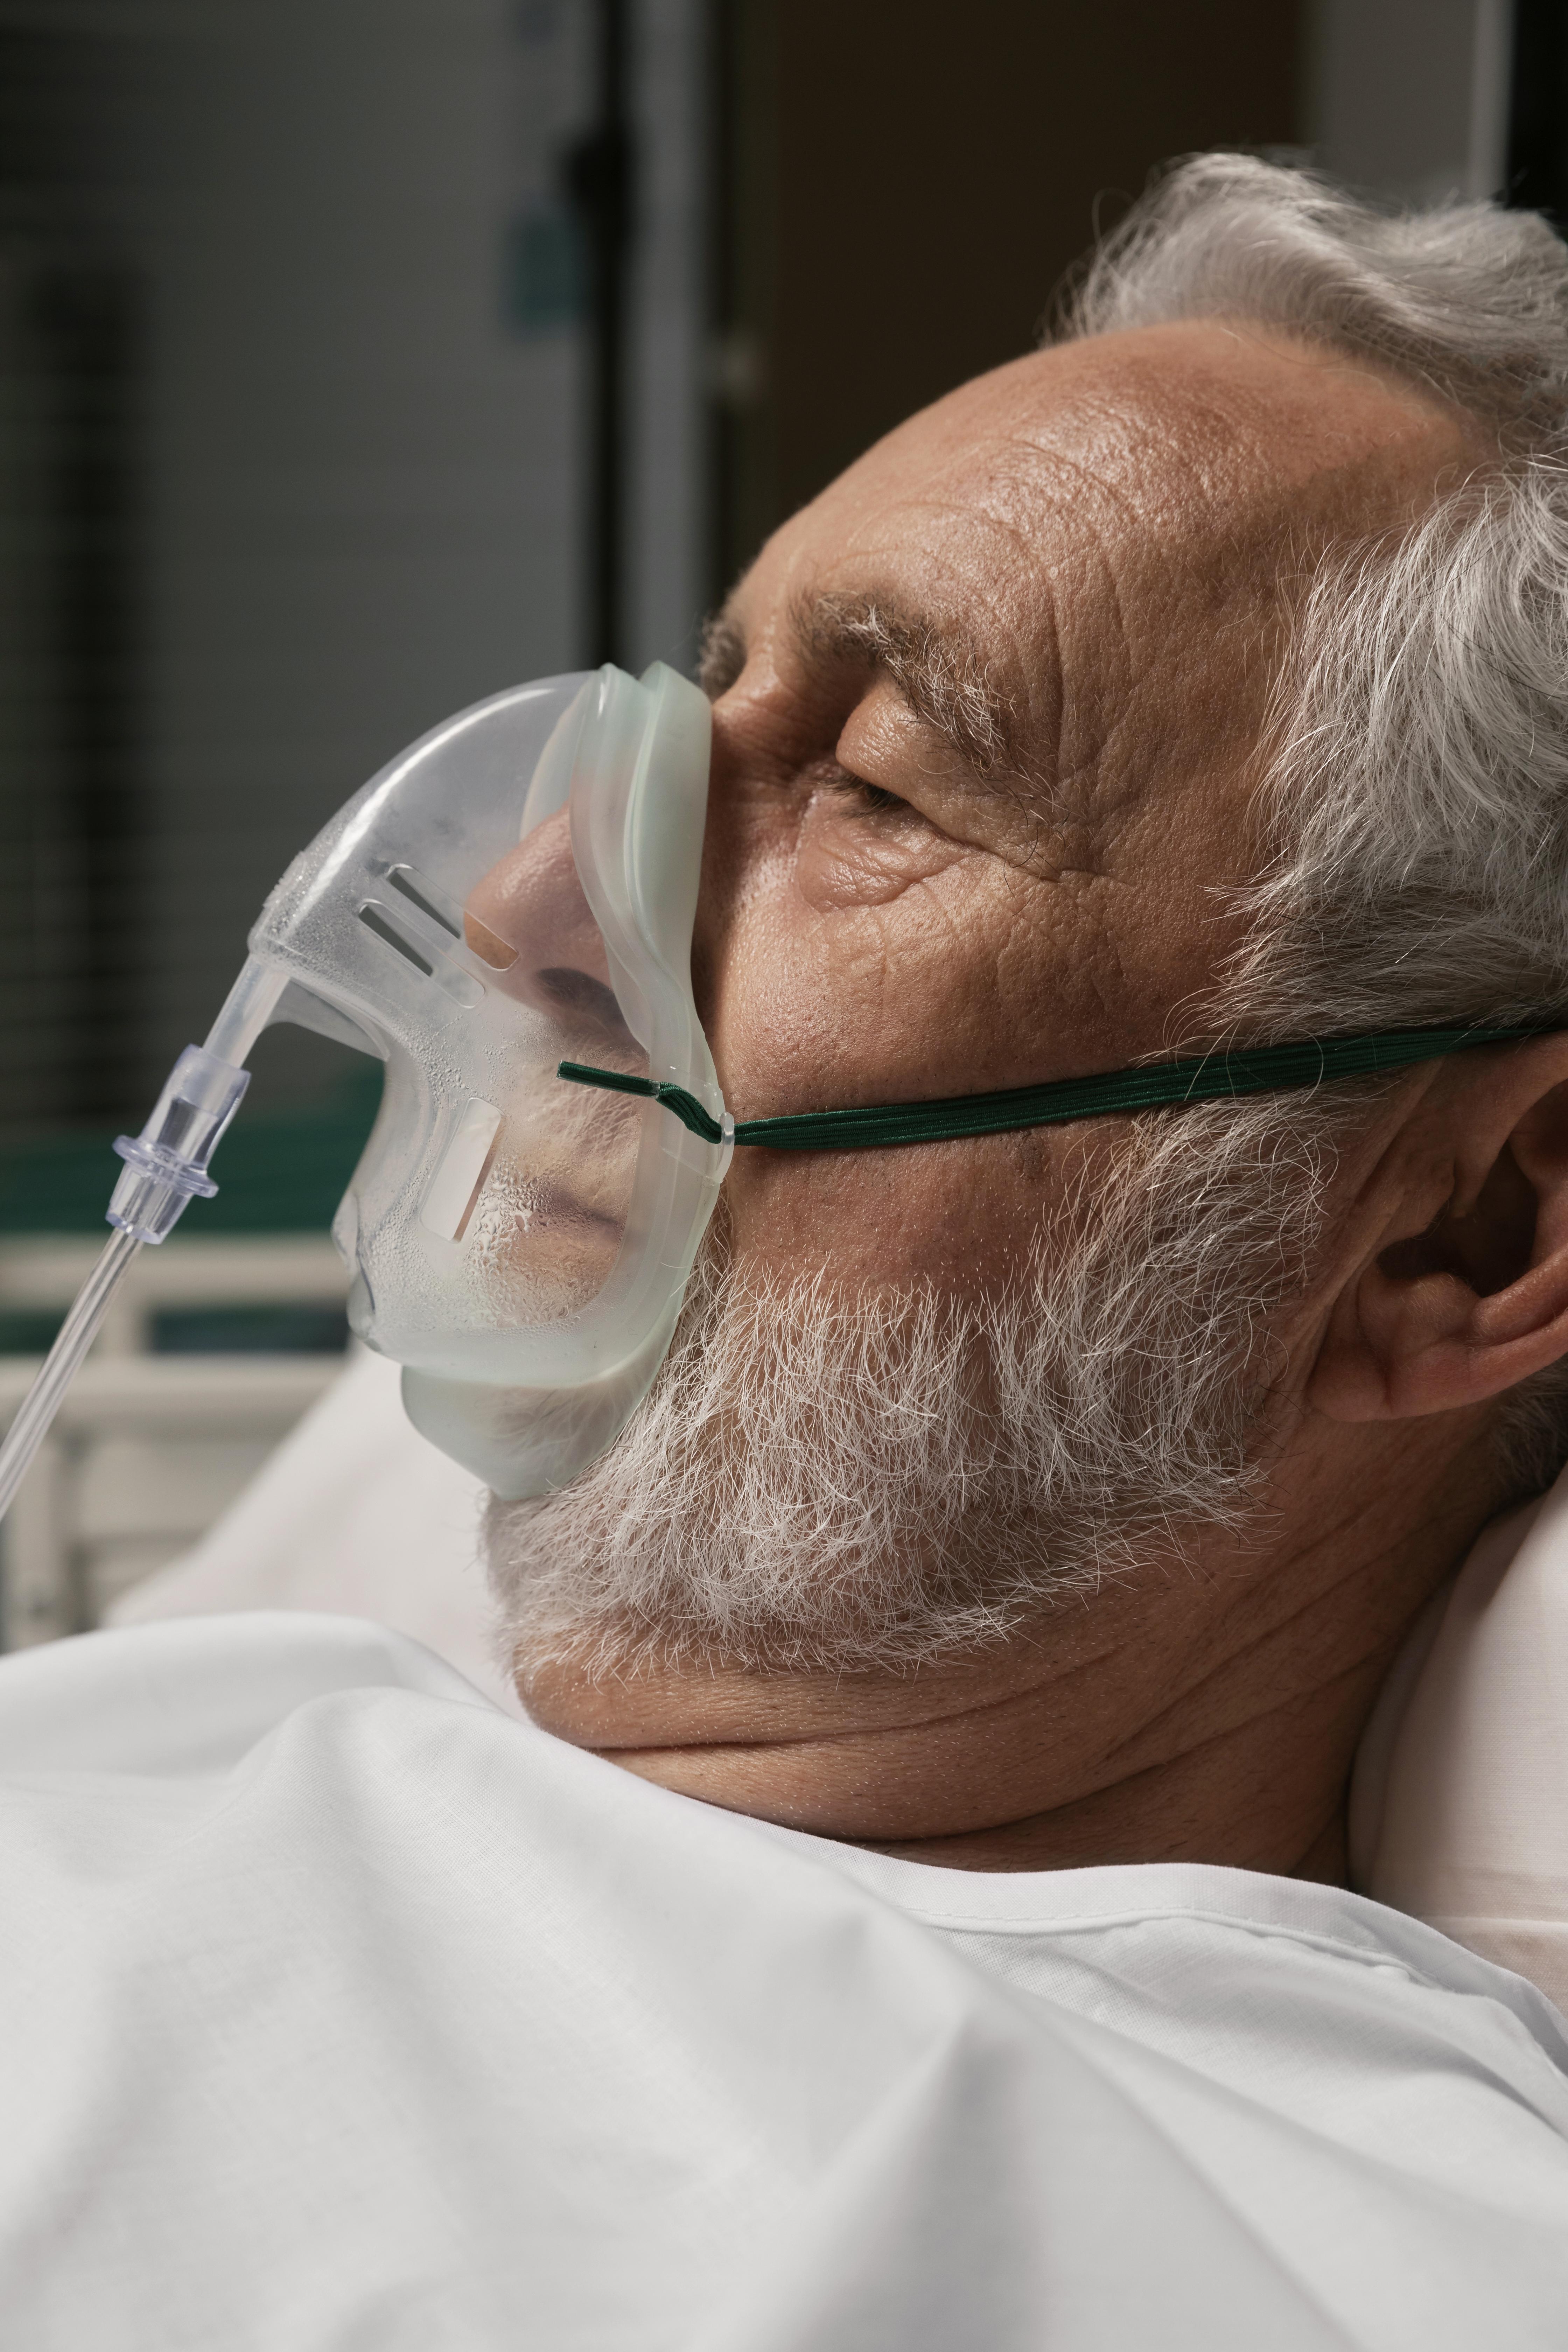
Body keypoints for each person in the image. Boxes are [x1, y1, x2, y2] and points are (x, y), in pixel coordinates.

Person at [7, 154, 1568, 2348]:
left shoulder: (1335, 2250)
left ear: (1470, 1230)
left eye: (878, 784)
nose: (536, 901)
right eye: (691, 715)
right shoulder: (196, 1749)